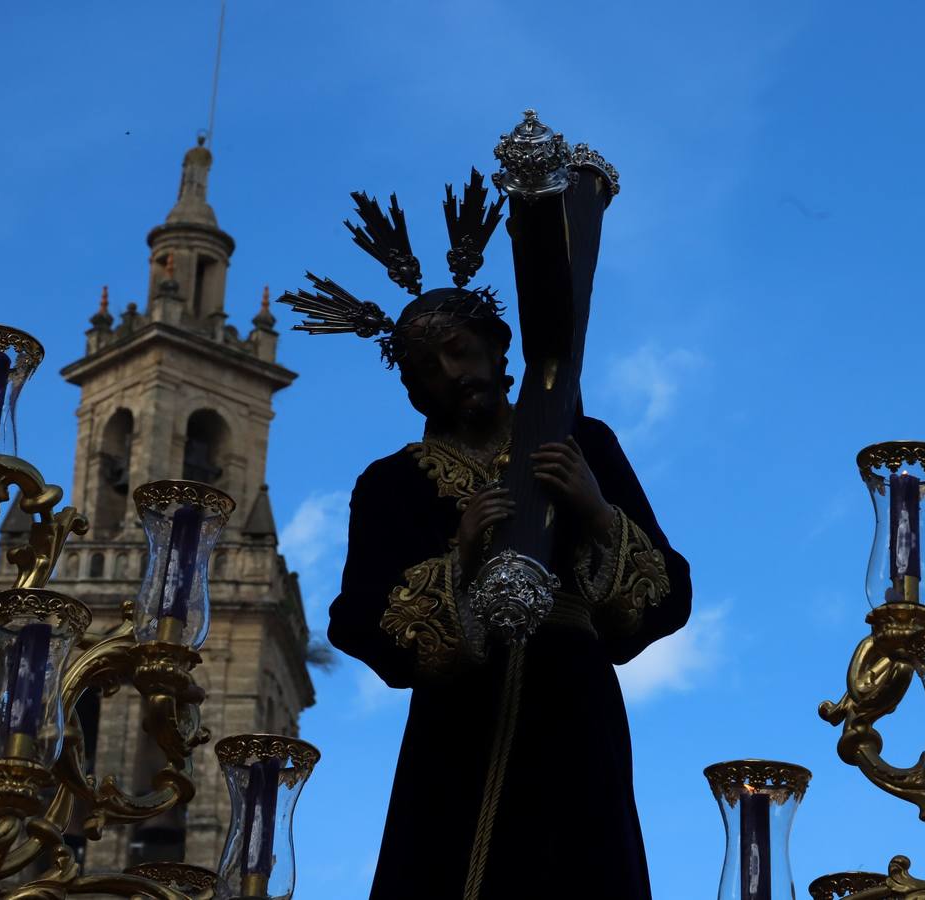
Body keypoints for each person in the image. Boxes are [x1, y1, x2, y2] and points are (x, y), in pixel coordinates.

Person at [279, 174, 692, 900]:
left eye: (463, 349)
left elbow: (670, 595)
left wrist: (597, 511)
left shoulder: (580, 438)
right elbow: (360, 620)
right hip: (456, 727)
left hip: (574, 710)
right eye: (429, 364)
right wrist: (460, 553)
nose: (453, 372)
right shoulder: (391, 482)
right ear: (411, 386)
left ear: (502, 352)